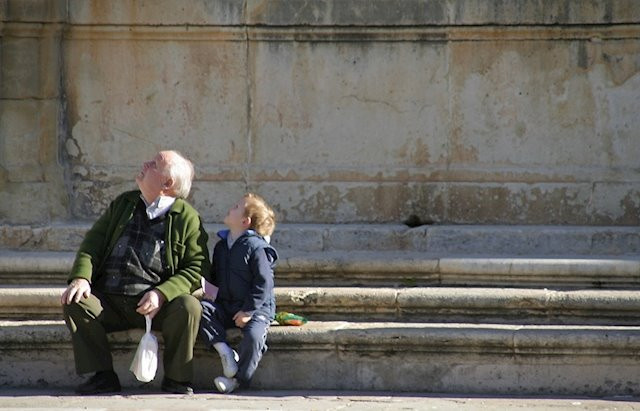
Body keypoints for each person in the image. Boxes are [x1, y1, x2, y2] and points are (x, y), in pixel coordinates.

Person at [61, 150, 211, 395]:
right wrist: (81, 277)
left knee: (189, 307)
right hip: (111, 300)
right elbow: (93, 244)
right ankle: (103, 376)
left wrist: (161, 294)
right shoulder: (124, 203)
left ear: (167, 183)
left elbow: (197, 268)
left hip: (156, 308)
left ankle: (177, 379)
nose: (145, 163)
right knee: (75, 301)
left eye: (154, 164)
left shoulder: (187, 218)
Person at [199, 193, 278, 393]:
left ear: (245, 221)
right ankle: (225, 352)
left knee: (253, 337)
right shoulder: (221, 247)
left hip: (256, 309)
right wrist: (211, 292)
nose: (230, 208)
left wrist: (249, 311)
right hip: (227, 305)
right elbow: (216, 277)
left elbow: (264, 283)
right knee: (201, 310)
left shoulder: (256, 247)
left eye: (236, 207)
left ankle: (239, 380)